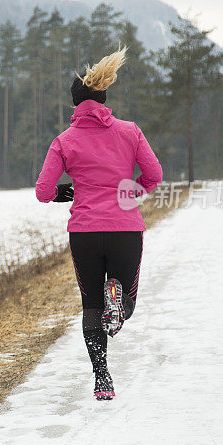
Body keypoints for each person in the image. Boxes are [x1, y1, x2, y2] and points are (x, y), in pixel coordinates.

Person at [35, 46, 163, 401]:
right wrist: (129, 193)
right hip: (125, 230)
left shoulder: (63, 141)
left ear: (75, 106)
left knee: (90, 305)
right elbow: (154, 174)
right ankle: (118, 307)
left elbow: (43, 191)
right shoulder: (130, 131)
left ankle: (102, 377)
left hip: (85, 234)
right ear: (104, 98)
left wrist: (69, 193)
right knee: (125, 306)